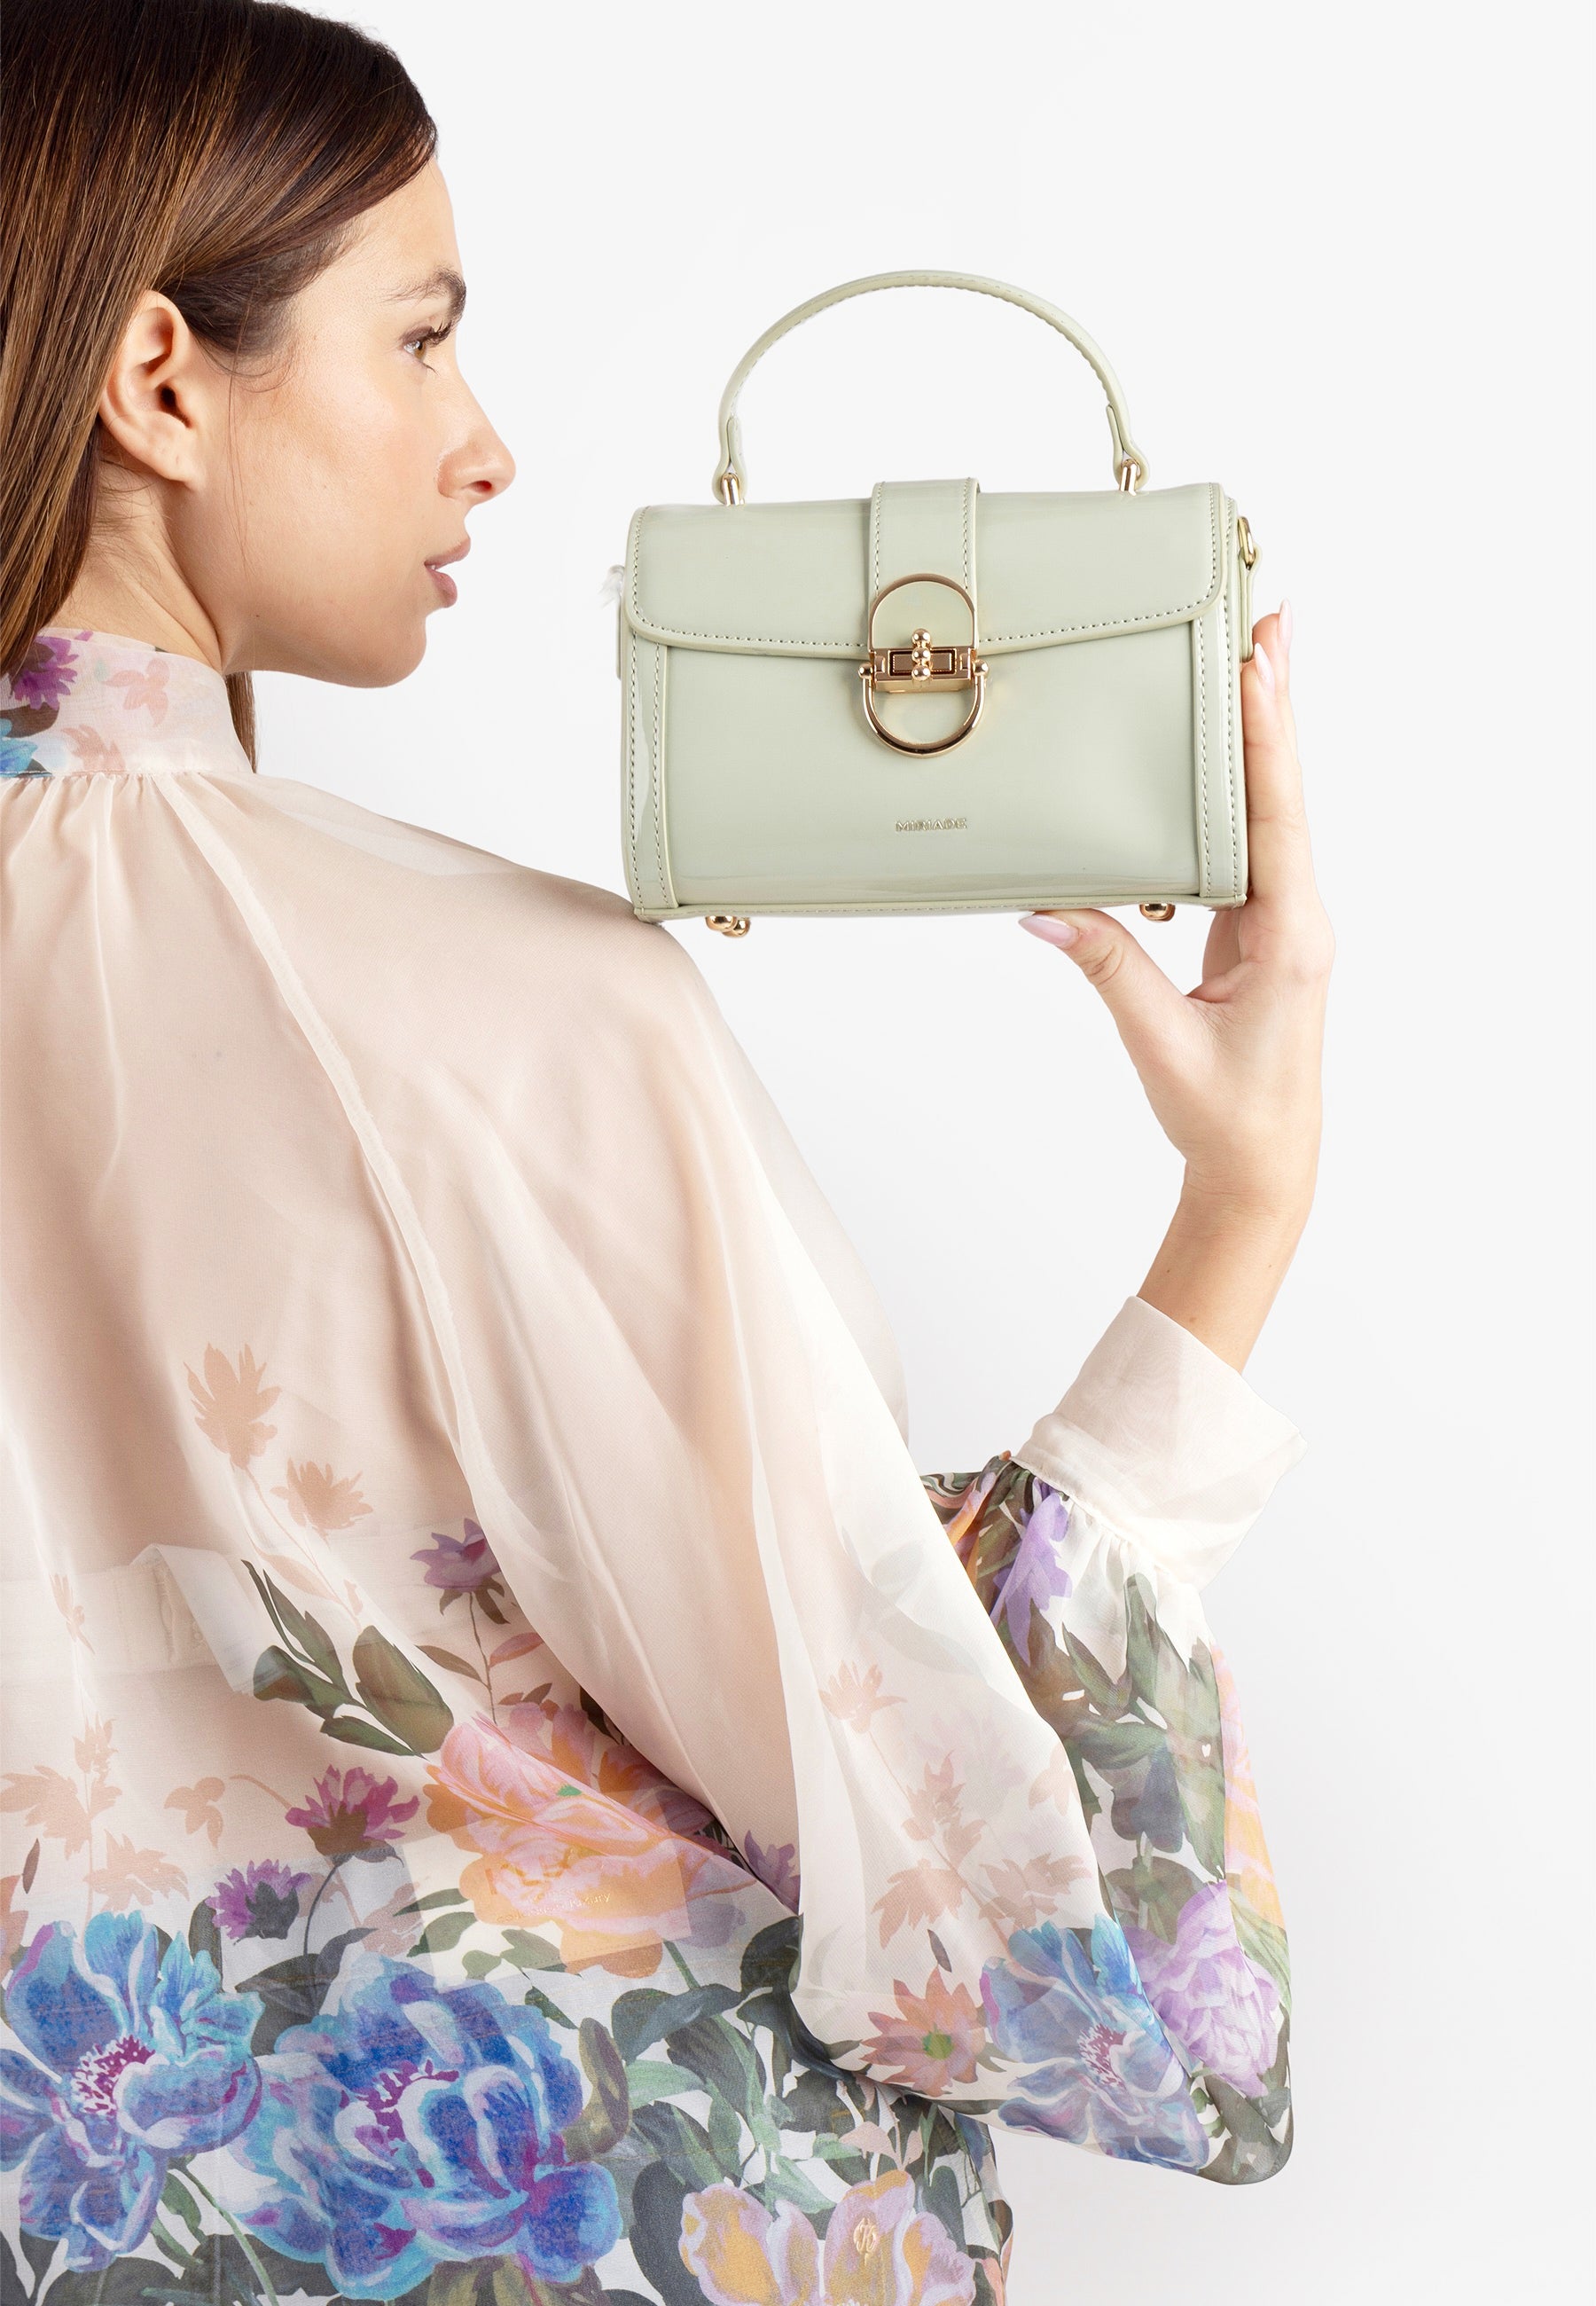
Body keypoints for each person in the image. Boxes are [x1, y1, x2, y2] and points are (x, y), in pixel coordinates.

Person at [0, 4, 1333, 2300]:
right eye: (420, 338)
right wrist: (1244, 1208)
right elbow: (936, 1832)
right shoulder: (514, 1009)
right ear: (160, 381)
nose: (485, 444)